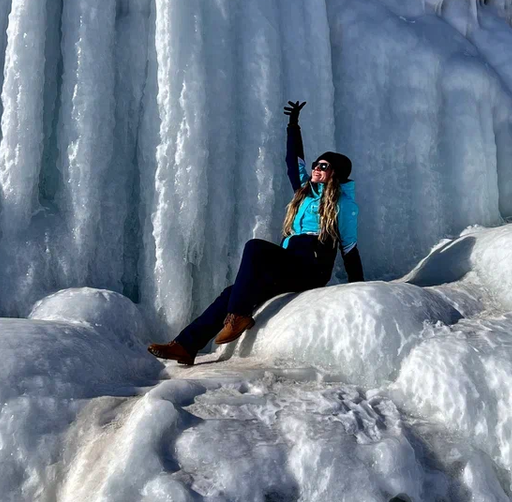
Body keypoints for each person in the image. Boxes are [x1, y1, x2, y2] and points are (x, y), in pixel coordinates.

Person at [148, 100, 365, 366]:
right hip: (289, 264)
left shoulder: (343, 205)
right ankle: (185, 345)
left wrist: (360, 290)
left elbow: (349, 249)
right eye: (316, 164)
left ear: (335, 174)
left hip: (311, 269)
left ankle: (238, 316)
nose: (316, 168)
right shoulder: (304, 192)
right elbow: (292, 161)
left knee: (255, 247)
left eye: (323, 166)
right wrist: (293, 126)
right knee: (231, 291)